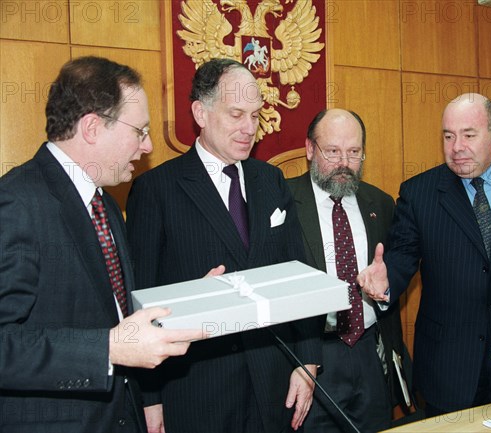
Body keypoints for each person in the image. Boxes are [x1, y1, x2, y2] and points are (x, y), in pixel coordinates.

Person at [0, 56, 208, 433]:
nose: (147, 147)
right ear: (93, 127)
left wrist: (190, 299)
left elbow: (110, 313)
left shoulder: (106, 204)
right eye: (139, 130)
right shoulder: (17, 203)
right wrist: (107, 350)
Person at [126, 58, 322, 433]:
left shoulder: (272, 180)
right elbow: (140, 301)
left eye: (255, 115)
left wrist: (307, 361)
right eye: (236, 114)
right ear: (201, 112)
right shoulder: (157, 190)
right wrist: (149, 399)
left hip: (273, 386)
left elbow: (301, 275)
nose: (250, 128)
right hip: (196, 392)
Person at [357, 93, 491, 416]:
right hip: (447, 373)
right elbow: (402, 258)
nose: (456, 146)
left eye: (468, 135)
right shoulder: (419, 193)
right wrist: (386, 280)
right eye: (448, 136)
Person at [287, 109, 407, 432]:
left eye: (354, 153)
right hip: (311, 355)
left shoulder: (381, 204)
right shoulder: (282, 201)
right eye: (333, 152)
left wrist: (383, 290)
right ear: (310, 149)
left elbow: (392, 276)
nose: (344, 163)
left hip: (369, 351)